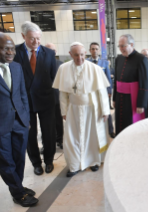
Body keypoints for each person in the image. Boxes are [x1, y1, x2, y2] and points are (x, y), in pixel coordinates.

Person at [0, 32, 38, 207]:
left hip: (20, 123)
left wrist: (26, 118)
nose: (10, 52)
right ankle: (18, 193)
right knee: (6, 162)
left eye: (12, 48)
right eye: (5, 48)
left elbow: (22, 95)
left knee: (19, 158)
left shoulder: (16, 67)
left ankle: (18, 186)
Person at [53, 42, 111, 177]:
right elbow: (63, 93)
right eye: (76, 55)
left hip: (92, 109)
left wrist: (105, 110)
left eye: (82, 55)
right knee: (73, 138)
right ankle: (75, 165)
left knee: (92, 136)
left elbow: (101, 92)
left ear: (86, 54)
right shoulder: (63, 68)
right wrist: (63, 111)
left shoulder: (95, 68)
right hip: (73, 109)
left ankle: (94, 162)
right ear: (70, 54)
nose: (79, 58)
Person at [14, 21, 57, 175]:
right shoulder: (14, 52)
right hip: (25, 103)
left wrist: (56, 102)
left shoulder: (49, 53)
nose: (36, 42)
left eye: (38, 39)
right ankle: (36, 163)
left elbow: (54, 78)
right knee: (30, 134)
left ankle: (49, 160)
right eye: (32, 38)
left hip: (46, 100)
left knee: (48, 132)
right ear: (23, 36)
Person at [113, 34, 148, 135]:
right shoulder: (118, 59)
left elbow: (145, 83)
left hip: (133, 98)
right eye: (119, 46)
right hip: (120, 97)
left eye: (123, 46)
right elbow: (116, 79)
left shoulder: (141, 59)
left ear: (131, 44)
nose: (121, 49)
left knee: (131, 123)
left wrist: (141, 104)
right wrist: (114, 99)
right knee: (120, 121)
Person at [87, 42, 115, 138]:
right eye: (93, 49)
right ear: (90, 50)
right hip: (91, 92)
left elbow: (108, 78)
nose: (94, 50)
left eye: (96, 49)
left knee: (106, 111)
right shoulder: (86, 62)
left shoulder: (104, 62)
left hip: (103, 91)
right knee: (92, 111)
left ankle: (110, 130)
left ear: (99, 50)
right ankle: (94, 132)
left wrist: (109, 91)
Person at [44, 43, 64, 149]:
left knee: (58, 121)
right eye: (48, 50)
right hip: (44, 98)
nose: (51, 52)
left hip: (57, 97)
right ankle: (46, 144)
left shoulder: (61, 64)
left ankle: (60, 140)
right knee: (45, 124)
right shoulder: (38, 63)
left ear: (56, 52)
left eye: (53, 50)